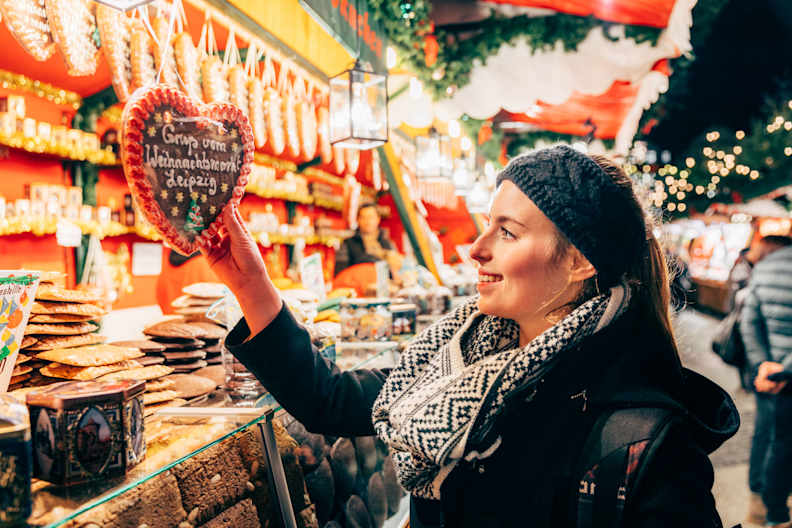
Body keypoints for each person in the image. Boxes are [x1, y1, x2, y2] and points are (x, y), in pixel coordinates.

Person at [206, 146, 738, 527]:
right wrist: (250, 283)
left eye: (507, 232)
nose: (475, 248)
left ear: (578, 262)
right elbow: (331, 400)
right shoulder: (460, 364)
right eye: (487, 225)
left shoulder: (643, 438)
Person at [739, 236, 792, 527]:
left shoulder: (762, 271)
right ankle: (777, 512)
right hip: (786, 377)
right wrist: (785, 371)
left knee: (765, 434)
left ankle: (758, 502)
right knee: (784, 443)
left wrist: (764, 367)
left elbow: (749, 321)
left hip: (766, 376)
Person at [334, 203, 402, 277]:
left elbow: (398, 271)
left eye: (371, 217)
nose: (367, 221)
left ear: (378, 219)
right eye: (363, 217)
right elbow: (340, 274)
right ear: (358, 220)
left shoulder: (388, 243)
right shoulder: (347, 244)